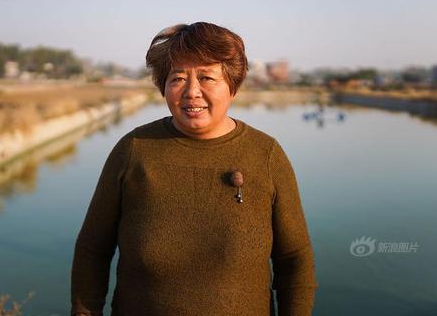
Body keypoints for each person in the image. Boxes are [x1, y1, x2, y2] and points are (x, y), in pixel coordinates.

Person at [71, 22, 317, 316]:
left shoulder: (266, 155)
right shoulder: (134, 149)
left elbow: (294, 259)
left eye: (207, 77)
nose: (191, 92)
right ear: (163, 86)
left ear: (233, 86)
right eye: (177, 79)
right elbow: (93, 249)